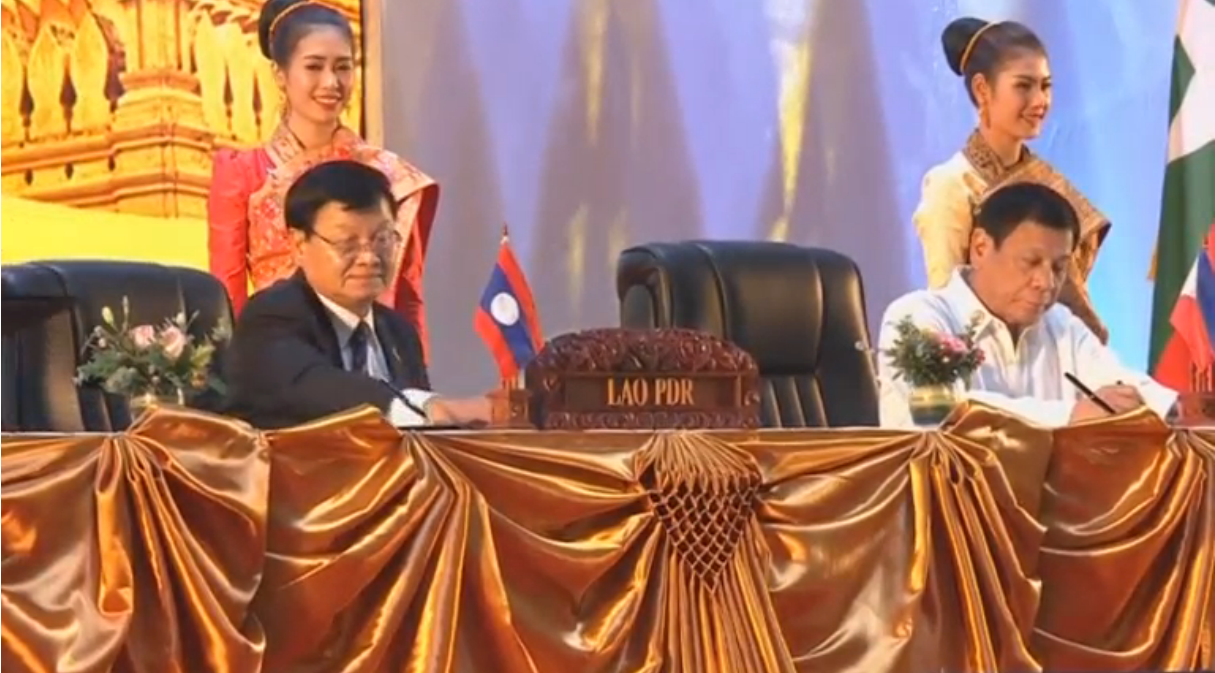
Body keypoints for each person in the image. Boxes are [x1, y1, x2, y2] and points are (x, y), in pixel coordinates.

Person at [207, 0, 439, 359]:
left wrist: (416, 386)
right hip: (283, 361)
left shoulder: (388, 175)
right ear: (280, 75)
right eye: (314, 67)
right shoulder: (242, 173)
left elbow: (407, 298)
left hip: (371, 361)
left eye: (343, 67)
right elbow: (226, 297)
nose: (331, 83)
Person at [879, 182, 1177, 429]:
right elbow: (944, 415)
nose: (1046, 282)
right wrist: (1069, 415)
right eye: (1031, 262)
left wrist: (1174, 408)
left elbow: (1119, 382)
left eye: (1059, 267)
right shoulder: (916, 317)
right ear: (980, 247)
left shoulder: (1061, 325)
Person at [223, 160, 488, 429]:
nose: (369, 258)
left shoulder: (399, 332)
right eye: (347, 242)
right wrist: (425, 408)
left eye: (382, 238)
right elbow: (314, 385)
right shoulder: (272, 316)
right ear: (299, 245)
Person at [913, 17, 1110, 343]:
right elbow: (947, 306)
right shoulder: (951, 184)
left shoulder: (1046, 182)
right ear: (982, 89)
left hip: (1060, 356)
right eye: (1023, 86)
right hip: (985, 367)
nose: (1039, 101)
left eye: (1045, 86)